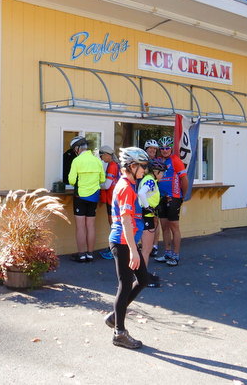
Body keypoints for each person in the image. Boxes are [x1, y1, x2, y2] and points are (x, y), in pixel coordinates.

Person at [104, 147, 149, 349]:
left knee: (144, 279)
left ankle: (116, 315)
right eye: (143, 167)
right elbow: (126, 221)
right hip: (122, 242)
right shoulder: (124, 187)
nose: (145, 171)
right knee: (125, 284)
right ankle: (119, 332)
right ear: (132, 166)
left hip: (127, 242)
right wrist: (133, 250)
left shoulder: (131, 185)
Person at [68, 137, 105, 263]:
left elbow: (71, 180)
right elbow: (102, 179)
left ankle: (81, 254)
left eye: (74, 150)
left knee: (80, 227)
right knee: (90, 226)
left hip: (80, 196)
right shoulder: (97, 160)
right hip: (94, 196)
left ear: (77, 148)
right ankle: (90, 254)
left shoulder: (77, 161)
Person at [154, 135, 188, 266]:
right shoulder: (158, 160)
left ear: (171, 148)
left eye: (167, 148)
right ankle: (167, 252)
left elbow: (184, 179)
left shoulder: (175, 160)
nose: (164, 150)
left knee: (174, 227)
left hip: (174, 197)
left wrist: (182, 196)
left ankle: (176, 254)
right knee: (164, 227)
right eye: (162, 148)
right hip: (161, 198)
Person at [138, 158, 166, 287]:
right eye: (162, 173)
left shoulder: (151, 179)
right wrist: (148, 207)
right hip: (147, 216)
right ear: (156, 171)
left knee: (145, 249)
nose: (163, 175)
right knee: (146, 249)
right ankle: (142, 279)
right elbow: (142, 193)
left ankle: (142, 275)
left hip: (147, 216)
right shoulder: (150, 180)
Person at [98, 145, 119, 260]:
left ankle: (114, 250)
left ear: (107, 155)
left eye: (102, 156)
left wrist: (96, 184)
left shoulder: (112, 166)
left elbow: (107, 185)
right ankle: (113, 248)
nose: (101, 159)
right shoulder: (116, 164)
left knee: (114, 226)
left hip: (112, 200)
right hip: (114, 199)